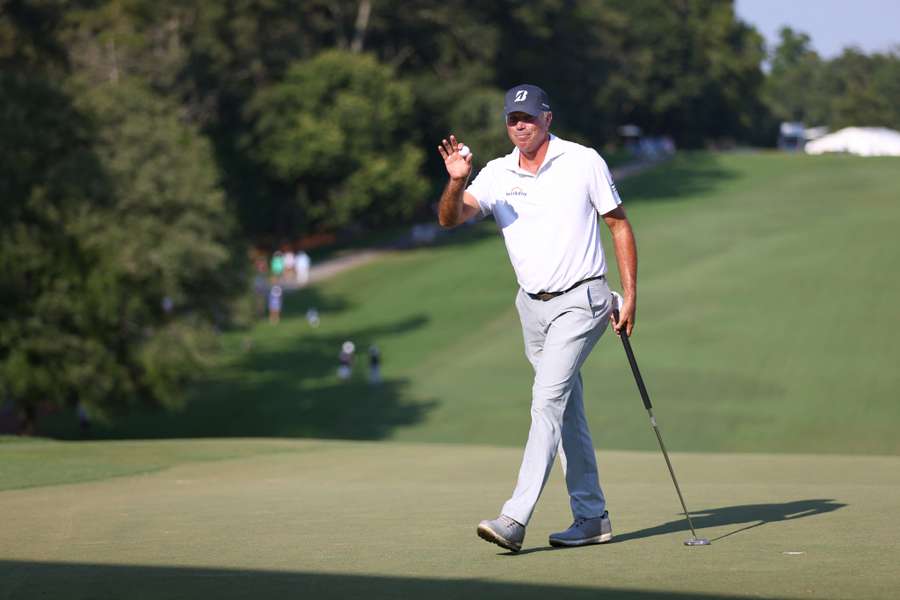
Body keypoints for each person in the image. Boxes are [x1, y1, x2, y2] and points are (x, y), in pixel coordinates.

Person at [436, 84, 637, 552]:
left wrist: (629, 295)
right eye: (512, 119)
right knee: (565, 408)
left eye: (527, 116)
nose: (519, 125)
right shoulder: (495, 172)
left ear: (548, 118)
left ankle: (514, 517)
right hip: (532, 307)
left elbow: (619, 223)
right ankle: (592, 517)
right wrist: (455, 181)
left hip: (582, 299)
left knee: (546, 400)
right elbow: (450, 218)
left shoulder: (582, 161)